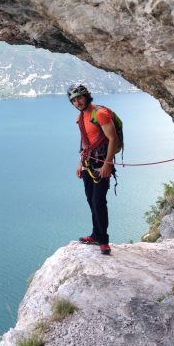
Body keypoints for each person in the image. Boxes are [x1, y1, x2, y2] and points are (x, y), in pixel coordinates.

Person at [67, 84, 119, 255]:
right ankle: (96, 234)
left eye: (79, 98)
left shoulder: (100, 114)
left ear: (87, 96)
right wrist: (79, 163)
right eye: (74, 100)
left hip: (102, 164)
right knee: (91, 201)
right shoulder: (80, 118)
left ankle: (103, 241)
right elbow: (84, 143)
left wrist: (108, 164)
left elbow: (113, 139)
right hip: (88, 165)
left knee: (98, 202)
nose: (77, 102)